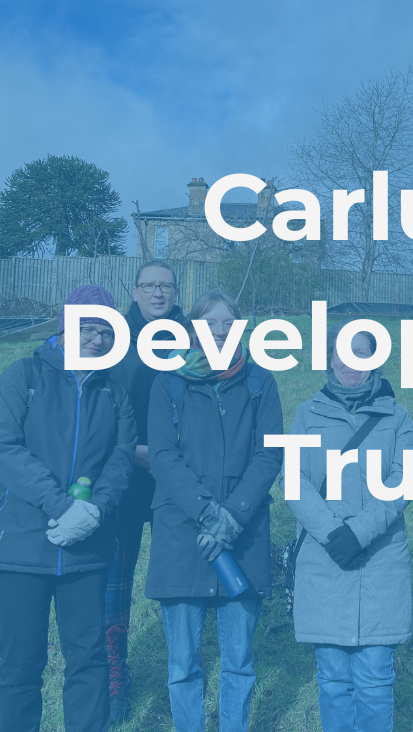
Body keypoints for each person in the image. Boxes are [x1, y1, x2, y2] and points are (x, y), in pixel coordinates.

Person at [0, 284, 137, 732]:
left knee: (89, 659)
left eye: (106, 332)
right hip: (19, 547)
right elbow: (2, 447)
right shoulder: (23, 376)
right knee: (21, 664)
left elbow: (121, 457)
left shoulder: (114, 392)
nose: (97, 339)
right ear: (65, 327)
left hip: (87, 549)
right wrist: (61, 506)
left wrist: (95, 511)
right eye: (88, 328)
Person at [145, 290, 283, 732]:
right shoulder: (168, 382)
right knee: (183, 663)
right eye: (210, 323)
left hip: (243, 535)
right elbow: (163, 456)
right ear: (193, 329)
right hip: (181, 533)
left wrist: (234, 515)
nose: (220, 331)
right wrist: (208, 513)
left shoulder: (260, 382)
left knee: (239, 661)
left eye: (228, 323)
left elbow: (270, 454)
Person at [286, 322, 413, 732]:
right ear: (329, 358)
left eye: (361, 353)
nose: (349, 362)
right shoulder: (306, 415)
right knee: (333, 679)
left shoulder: (397, 417)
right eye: (341, 352)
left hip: (380, 563)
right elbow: (294, 481)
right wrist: (331, 532)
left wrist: (358, 532)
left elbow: (403, 480)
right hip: (324, 560)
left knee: (375, 679)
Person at [106, 259, 184, 720]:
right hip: (125, 474)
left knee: (176, 575)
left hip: (176, 478)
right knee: (115, 577)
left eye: (166, 286)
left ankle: (184, 666)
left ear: (176, 293)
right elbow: (98, 406)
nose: (158, 293)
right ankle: (114, 671)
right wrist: (130, 450)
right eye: (149, 285)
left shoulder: (192, 339)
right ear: (135, 291)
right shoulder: (112, 340)